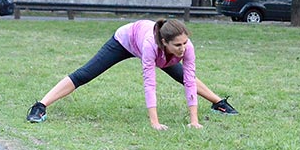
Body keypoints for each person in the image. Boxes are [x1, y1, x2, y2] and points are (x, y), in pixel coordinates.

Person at [26, 19, 238, 130]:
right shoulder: (151, 46)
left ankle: (218, 102)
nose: (183, 48)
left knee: (183, 76)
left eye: (184, 43)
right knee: (86, 73)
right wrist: (154, 122)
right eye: (178, 45)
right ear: (164, 42)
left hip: (156, 47)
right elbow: (149, 84)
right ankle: (40, 106)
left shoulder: (185, 46)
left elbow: (189, 79)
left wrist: (194, 120)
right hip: (124, 41)